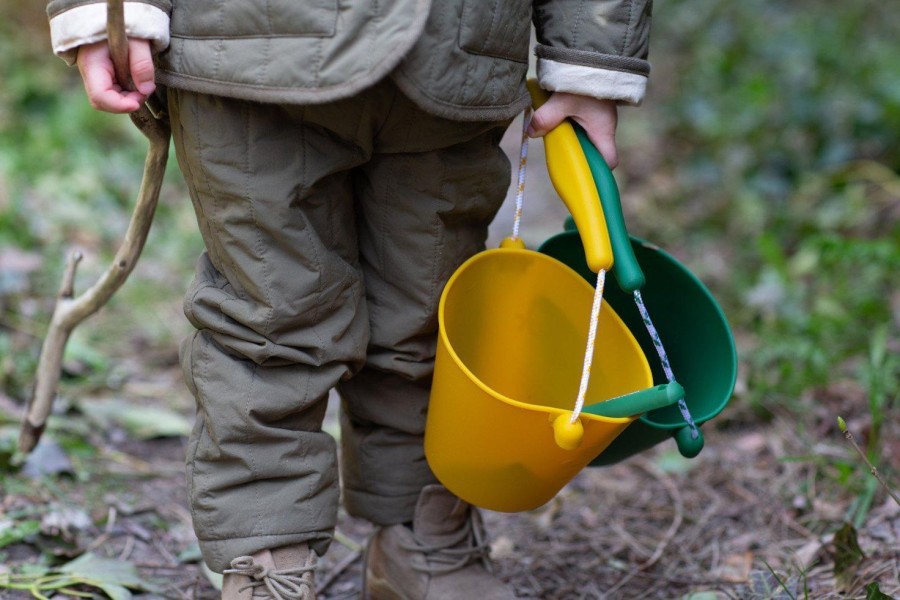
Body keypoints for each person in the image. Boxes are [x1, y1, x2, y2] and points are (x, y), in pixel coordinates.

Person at [48, 1, 652, 598]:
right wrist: (106, 12)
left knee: (434, 314)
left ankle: (424, 532)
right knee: (270, 320)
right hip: (248, 47)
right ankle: (267, 553)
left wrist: (590, 57)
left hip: (458, 51)